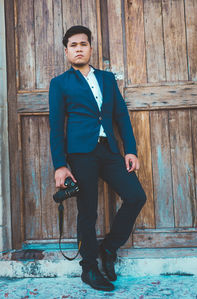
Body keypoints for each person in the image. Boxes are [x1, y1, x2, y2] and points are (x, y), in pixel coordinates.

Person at [49, 25, 146, 292]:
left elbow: (121, 117)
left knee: (136, 196)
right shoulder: (59, 84)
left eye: (83, 44)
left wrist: (131, 150)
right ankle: (89, 267)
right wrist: (60, 165)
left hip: (110, 151)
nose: (78, 48)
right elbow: (56, 127)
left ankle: (109, 249)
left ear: (91, 48)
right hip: (81, 154)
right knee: (87, 212)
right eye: (73, 45)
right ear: (66, 51)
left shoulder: (107, 78)